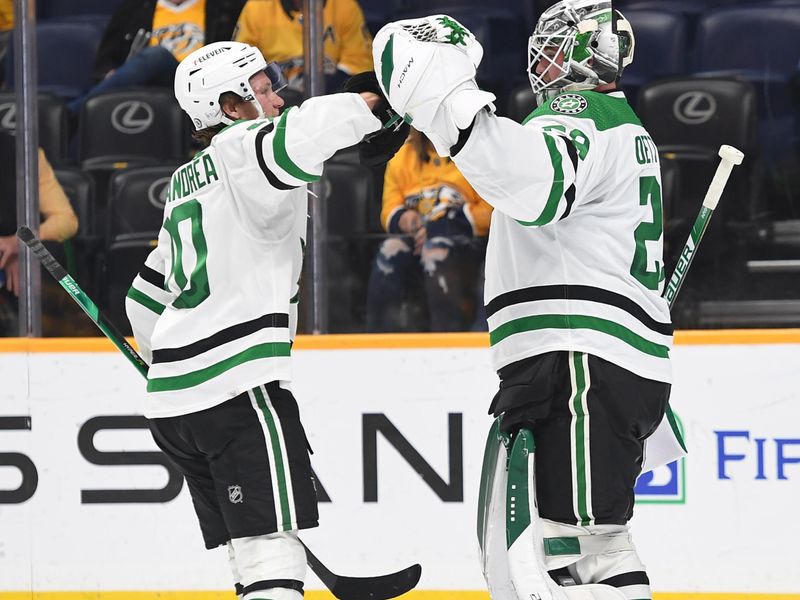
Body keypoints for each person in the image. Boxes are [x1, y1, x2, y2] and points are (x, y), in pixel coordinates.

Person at [372, 4, 675, 599]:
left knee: (586, 550)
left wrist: (453, 105)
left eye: (556, 47)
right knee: (589, 546)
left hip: (578, 356)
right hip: (598, 358)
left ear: (587, 58)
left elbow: (536, 187)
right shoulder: (623, 126)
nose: (541, 59)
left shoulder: (579, 112)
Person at [124, 41, 403, 600]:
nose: (277, 99)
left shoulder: (185, 182)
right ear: (229, 108)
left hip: (175, 407)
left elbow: (142, 301)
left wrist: (172, 368)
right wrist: (379, 101)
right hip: (238, 390)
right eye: (263, 89)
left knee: (248, 553)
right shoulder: (244, 151)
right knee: (272, 550)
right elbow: (307, 129)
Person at [368, 129, 492, 332]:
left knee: (436, 251)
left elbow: (491, 210)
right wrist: (406, 219)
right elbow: (388, 209)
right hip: (417, 239)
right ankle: (379, 341)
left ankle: (448, 339)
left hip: (465, 241)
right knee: (390, 251)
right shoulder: (402, 155)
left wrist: (444, 225)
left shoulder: (476, 152)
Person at [67, 0, 246, 115]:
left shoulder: (224, 8)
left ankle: (72, 114)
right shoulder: (135, 8)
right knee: (154, 58)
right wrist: (110, 73)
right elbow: (105, 59)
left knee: (157, 55)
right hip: (146, 83)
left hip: (200, 85)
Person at [0, 132, 79, 335]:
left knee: (43, 259)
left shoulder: (24, 153)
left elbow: (66, 220)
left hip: (16, 274)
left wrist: (20, 244)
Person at [234, 0, 373, 93]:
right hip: (275, 96)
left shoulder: (345, 6)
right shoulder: (257, 7)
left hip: (333, 95)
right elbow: (240, 65)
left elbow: (360, 61)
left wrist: (331, 88)